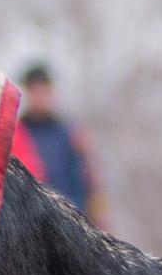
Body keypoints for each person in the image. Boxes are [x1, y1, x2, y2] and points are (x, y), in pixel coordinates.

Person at [15, 64, 104, 225]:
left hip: (72, 220)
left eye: (42, 90)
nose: (39, 96)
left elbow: (86, 180)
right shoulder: (17, 135)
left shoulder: (70, 134)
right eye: (34, 91)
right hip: (31, 222)